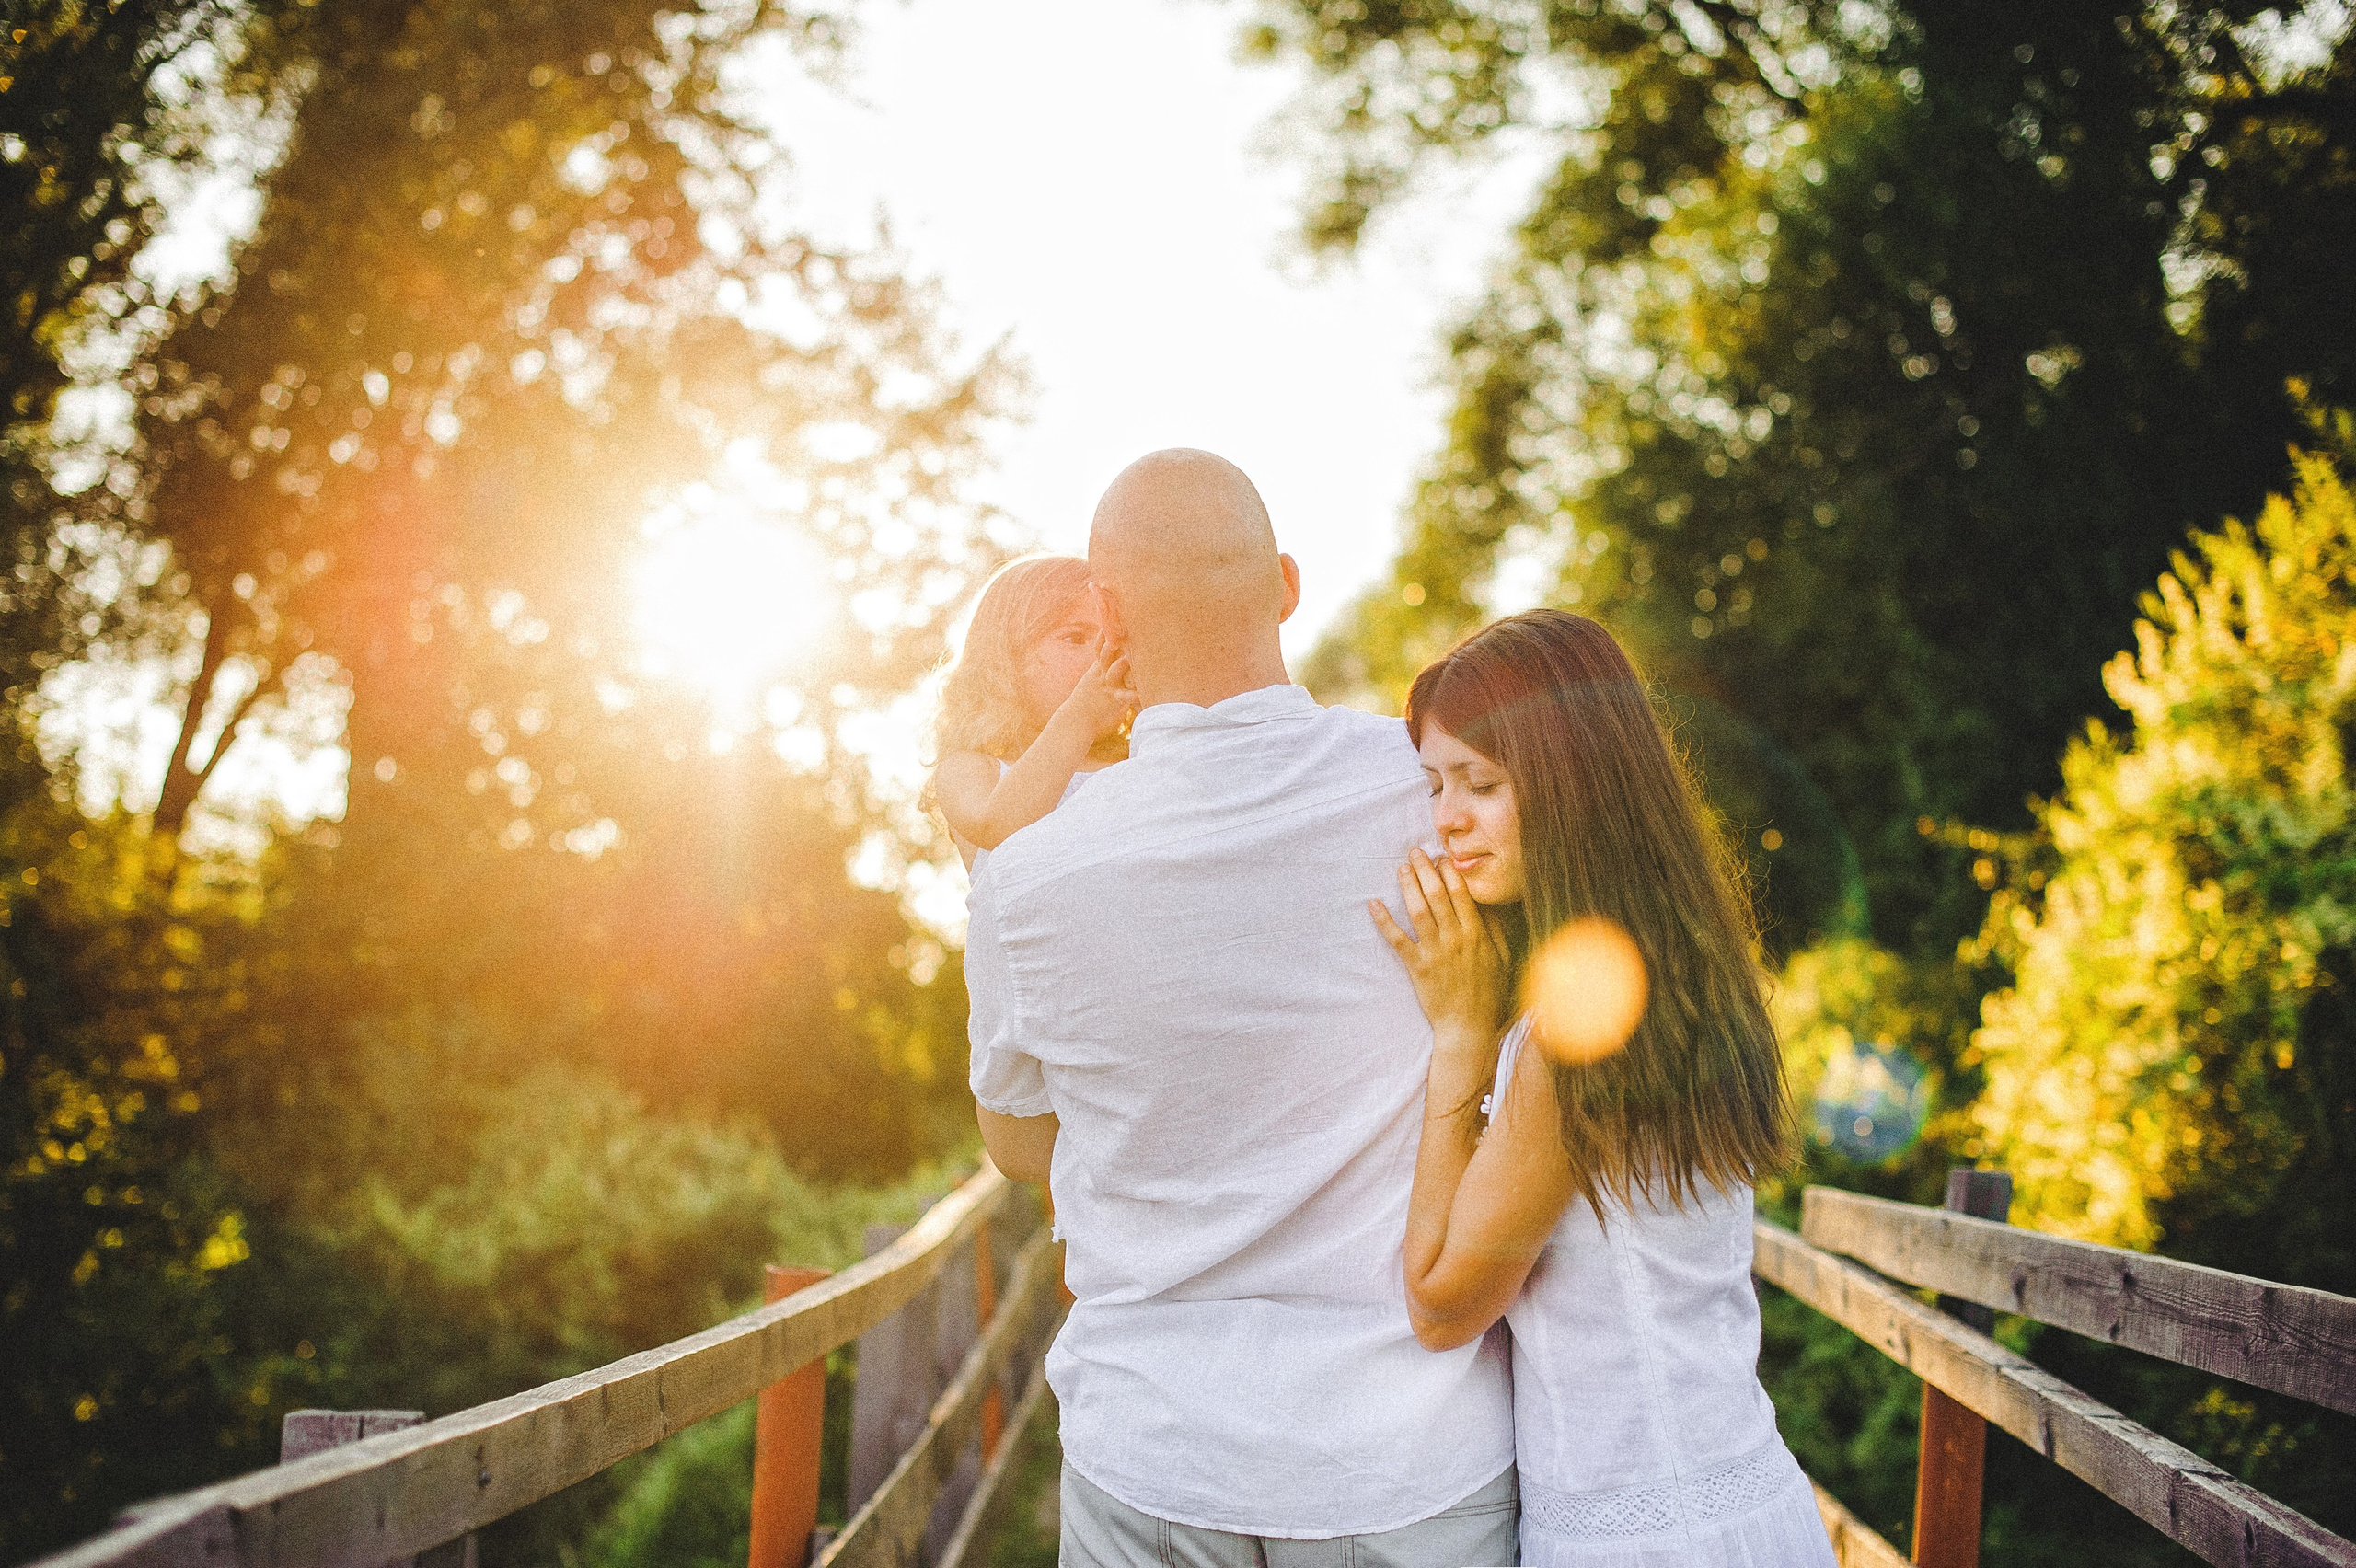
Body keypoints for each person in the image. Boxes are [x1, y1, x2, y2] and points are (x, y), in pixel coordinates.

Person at [965, 450, 1517, 1566]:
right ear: (1288, 586)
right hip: (1410, 1460)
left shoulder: (1023, 870)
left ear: (1107, 615)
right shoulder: (1433, 792)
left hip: (1156, 1455)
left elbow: (1016, 1145)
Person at [1369, 608, 1836, 1568]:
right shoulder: (1696, 972)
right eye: (1433, 785)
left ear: (1571, 786)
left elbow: (1438, 1304)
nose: (1445, 817)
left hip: (1647, 1541)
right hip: (1749, 1504)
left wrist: (1459, 1034)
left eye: (1480, 784)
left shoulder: (1564, 1043)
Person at [929, 554, 1135, 875]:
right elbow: (996, 826)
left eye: (1112, 642)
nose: (1101, 657)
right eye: (1074, 637)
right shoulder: (972, 768)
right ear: (1005, 663)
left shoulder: (1135, 761)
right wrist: (1080, 715)